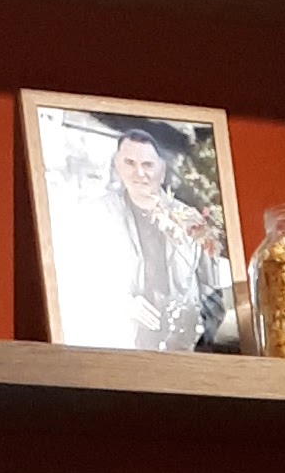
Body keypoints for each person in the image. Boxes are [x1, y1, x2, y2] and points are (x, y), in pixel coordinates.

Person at [89, 125, 236, 354]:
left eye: (148, 165)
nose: (139, 173)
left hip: (181, 353)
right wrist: (122, 304)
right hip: (118, 349)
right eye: (130, 163)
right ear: (117, 165)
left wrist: (197, 336)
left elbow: (213, 293)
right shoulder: (95, 215)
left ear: (162, 169)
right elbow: (78, 282)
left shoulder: (192, 222)